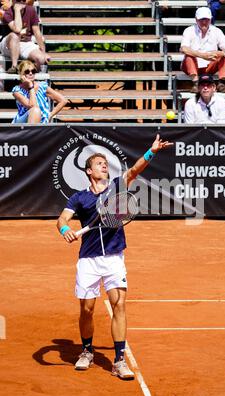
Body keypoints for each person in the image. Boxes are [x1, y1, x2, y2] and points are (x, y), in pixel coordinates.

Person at [56, 134, 173, 379]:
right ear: (89, 171)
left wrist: (151, 151)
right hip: (88, 258)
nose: (104, 166)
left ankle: (119, 360)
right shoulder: (79, 197)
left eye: (106, 164)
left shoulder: (118, 187)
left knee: (119, 304)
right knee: (86, 309)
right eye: (99, 164)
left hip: (113, 257)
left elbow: (134, 170)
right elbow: (62, 219)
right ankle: (87, 351)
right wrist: (66, 229)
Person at [180, 6, 225, 93]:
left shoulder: (216, 31)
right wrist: (203, 55)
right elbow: (184, 48)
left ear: (211, 19)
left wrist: (220, 53)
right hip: (193, 65)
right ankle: (196, 83)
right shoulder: (189, 30)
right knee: (189, 56)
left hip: (209, 65)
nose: (204, 22)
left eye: (207, 19)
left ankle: (221, 83)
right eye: (201, 19)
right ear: (196, 20)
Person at [0, 0, 50, 74]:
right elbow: (17, 29)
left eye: (23, 0)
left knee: (42, 59)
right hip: (8, 44)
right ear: (12, 1)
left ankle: (35, 76)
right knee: (15, 36)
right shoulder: (8, 12)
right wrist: (17, 10)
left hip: (25, 44)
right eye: (17, 0)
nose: (20, 2)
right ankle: (14, 66)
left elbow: (37, 32)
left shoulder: (31, 10)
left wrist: (43, 52)